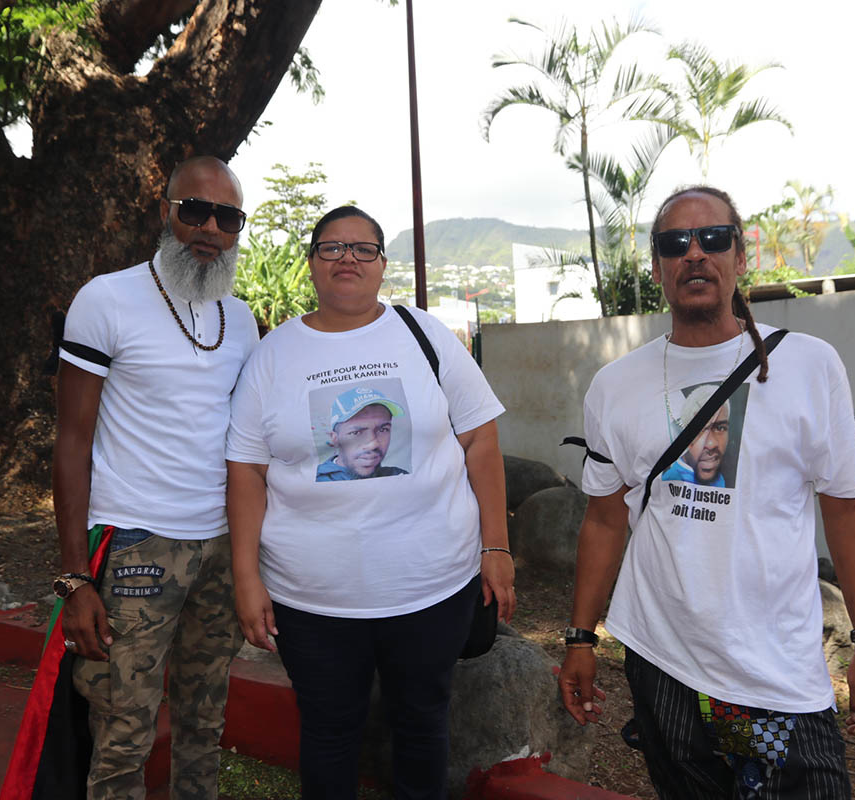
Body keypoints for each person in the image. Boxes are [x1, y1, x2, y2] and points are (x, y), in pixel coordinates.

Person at [559, 186, 855, 799]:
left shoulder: (809, 366)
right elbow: (605, 519)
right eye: (674, 243)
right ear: (657, 266)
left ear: (741, 257)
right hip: (660, 658)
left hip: (773, 672)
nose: (695, 254)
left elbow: (847, 509)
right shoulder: (615, 385)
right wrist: (581, 638)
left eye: (713, 239)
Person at [226, 205, 515, 800]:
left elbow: (480, 439)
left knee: (423, 723)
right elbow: (247, 470)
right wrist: (245, 576)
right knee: (330, 735)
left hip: (433, 589)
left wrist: (497, 545)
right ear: (311, 264)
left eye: (363, 248)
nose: (347, 259)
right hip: (312, 602)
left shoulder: (425, 335)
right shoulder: (273, 355)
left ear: (383, 265)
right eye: (332, 248)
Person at [53, 155, 259, 800]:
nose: (209, 228)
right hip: (135, 546)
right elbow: (71, 441)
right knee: (123, 729)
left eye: (226, 217)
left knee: (205, 720)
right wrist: (74, 577)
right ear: (165, 211)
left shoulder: (243, 320)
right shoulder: (106, 299)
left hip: (220, 549)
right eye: (194, 210)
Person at [316, 386, 410, 480]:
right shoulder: (316, 481)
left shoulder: (400, 476)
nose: (373, 444)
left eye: (383, 430)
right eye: (356, 433)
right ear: (335, 439)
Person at [661, 388, 731, 487]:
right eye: (699, 430)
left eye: (720, 428)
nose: (711, 444)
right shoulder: (672, 478)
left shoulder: (719, 479)